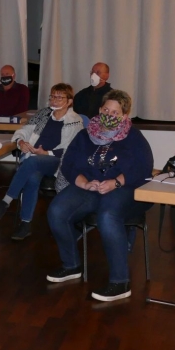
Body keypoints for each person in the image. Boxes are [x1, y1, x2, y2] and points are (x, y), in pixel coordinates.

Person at [45, 89, 153, 302]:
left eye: (115, 112)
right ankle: (71, 265)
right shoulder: (85, 135)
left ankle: (120, 282)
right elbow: (69, 164)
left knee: (108, 215)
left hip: (126, 187)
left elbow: (143, 169)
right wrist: (84, 183)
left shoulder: (133, 137)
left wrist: (115, 182)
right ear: (100, 109)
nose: (109, 115)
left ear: (124, 115)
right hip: (92, 186)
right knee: (57, 211)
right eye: (106, 110)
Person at [0, 83, 84, 240]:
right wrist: (21, 142)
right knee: (32, 176)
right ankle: (25, 224)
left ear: (69, 101)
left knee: (32, 163)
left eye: (59, 97)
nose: (54, 100)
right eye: (52, 96)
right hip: (35, 159)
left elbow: (71, 149)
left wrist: (46, 153)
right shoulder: (43, 114)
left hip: (58, 161)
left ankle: (5, 201)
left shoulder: (75, 121)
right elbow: (24, 130)